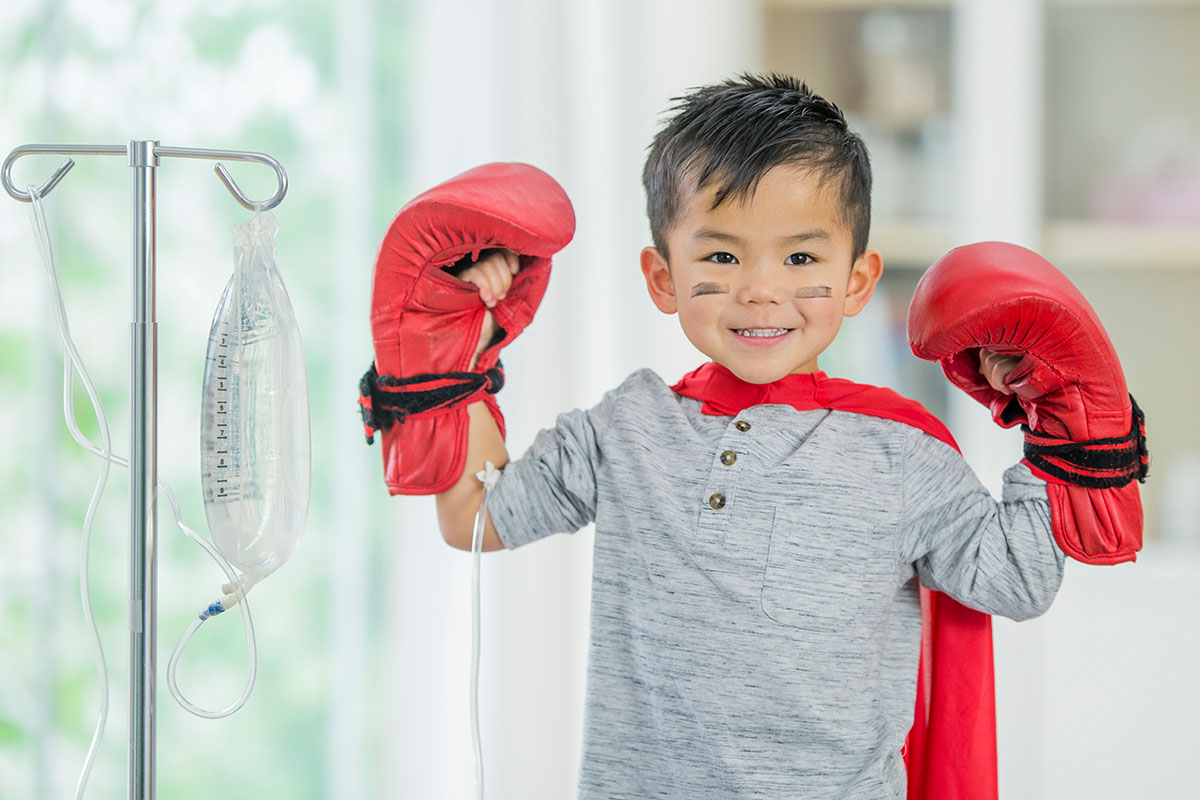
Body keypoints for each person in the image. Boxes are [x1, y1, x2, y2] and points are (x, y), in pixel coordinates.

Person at [434, 74, 1065, 799]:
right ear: (662, 277)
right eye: (722, 257)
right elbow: (476, 518)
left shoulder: (902, 452)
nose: (762, 290)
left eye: (801, 259)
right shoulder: (627, 429)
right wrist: (461, 350)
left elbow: (1017, 580)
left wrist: (1058, 418)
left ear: (857, 281)